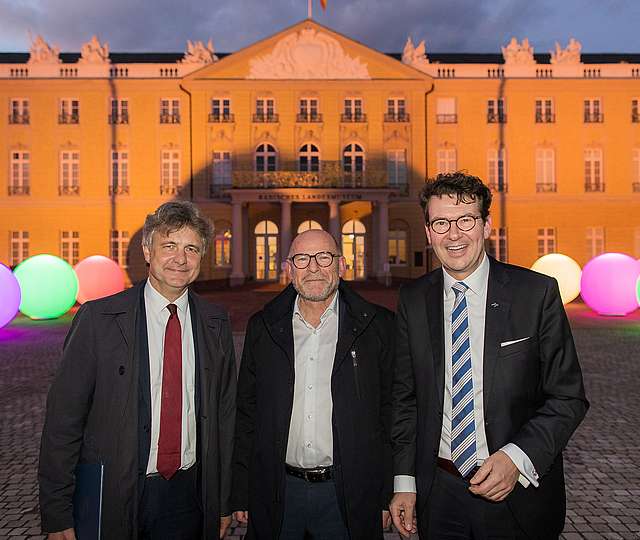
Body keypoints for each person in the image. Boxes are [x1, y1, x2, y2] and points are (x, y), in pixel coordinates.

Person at [390, 172, 589, 539]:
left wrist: (517, 457)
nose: (454, 234)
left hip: (517, 496)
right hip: (440, 494)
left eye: (466, 220)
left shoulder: (536, 294)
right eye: (441, 222)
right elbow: (405, 399)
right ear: (428, 231)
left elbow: (567, 397)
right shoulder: (413, 300)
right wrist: (404, 480)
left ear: (486, 225)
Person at [39, 201, 236, 540]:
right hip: (118, 494)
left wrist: (222, 501)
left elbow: (226, 418)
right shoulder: (98, 321)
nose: (180, 258)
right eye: (169, 245)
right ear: (148, 250)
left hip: (190, 494)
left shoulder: (215, 323)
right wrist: (57, 513)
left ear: (201, 257)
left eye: (191, 248)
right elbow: (63, 421)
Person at [232, 229, 394, 539]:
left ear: (341, 265)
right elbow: (246, 415)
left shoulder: (378, 327)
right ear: (289, 270)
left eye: (324, 257)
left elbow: (391, 414)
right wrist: (240, 490)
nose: (314, 267)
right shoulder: (263, 327)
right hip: (278, 492)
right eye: (303, 259)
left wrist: (389, 491)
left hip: (348, 495)